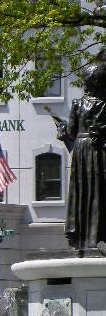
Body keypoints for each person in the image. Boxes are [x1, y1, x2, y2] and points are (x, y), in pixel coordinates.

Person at [54, 54, 106, 251]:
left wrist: (64, 131)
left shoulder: (78, 105)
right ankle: (91, 238)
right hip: (94, 151)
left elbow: (70, 134)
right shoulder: (98, 105)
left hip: (86, 151)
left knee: (87, 191)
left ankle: (86, 237)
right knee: (93, 192)